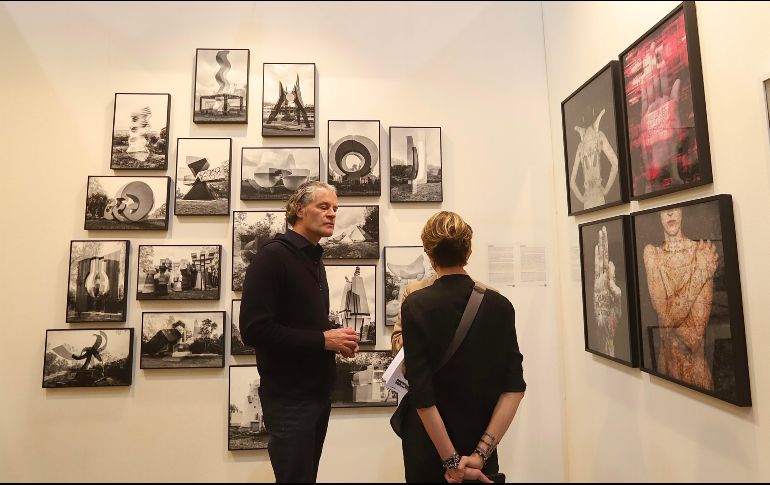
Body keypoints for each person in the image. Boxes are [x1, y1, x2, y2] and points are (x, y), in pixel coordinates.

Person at [239, 181, 359, 483]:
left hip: (316, 393)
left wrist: (334, 339)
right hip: (289, 398)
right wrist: (322, 340)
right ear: (298, 209)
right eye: (324, 206)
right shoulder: (273, 257)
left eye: (335, 208)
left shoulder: (313, 259)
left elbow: (300, 324)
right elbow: (254, 330)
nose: (332, 214)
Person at [399, 211, 527, 483]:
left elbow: (422, 395)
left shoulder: (416, 305)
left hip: (429, 444)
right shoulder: (500, 305)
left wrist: (452, 462)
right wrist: (481, 454)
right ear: (468, 251)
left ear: (429, 254)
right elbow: (514, 388)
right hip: (480, 441)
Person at [643, 207, 717, 390]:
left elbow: (694, 338)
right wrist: (699, 274)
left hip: (697, 375)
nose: (669, 213)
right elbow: (666, 317)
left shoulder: (701, 253)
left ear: (683, 211)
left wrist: (670, 311)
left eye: (674, 208)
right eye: (663, 210)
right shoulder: (652, 254)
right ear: (658, 215)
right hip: (666, 371)